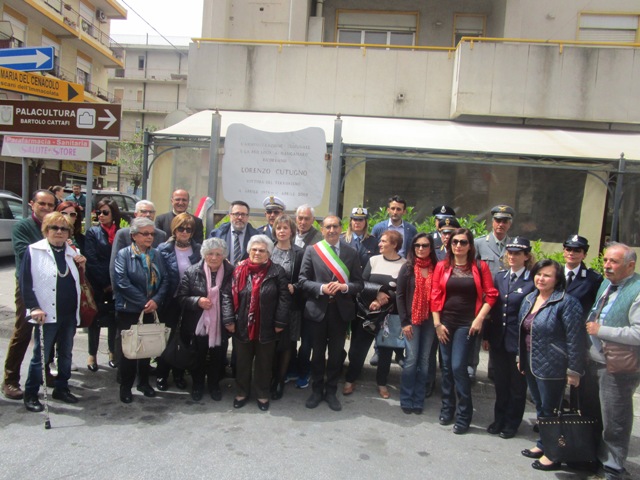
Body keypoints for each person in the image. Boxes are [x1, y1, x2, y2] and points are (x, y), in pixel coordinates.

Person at [519, 259, 585, 471]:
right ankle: (543, 444)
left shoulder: (567, 302)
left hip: (553, 365)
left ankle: (554, 453)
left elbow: (575, 338)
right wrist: (520, 358)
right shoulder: (530, 298)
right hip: (530, 361)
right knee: (539, 406)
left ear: (557, 279)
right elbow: (522, 331)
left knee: (551, 408)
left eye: (547, 275)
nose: (541, 278)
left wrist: (574, 370)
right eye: (539, 274)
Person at [432, 228, 498, 434]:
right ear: (449, 245)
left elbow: (491, 295)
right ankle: (447, 407)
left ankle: (464, 413)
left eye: (463, 242)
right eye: (454, 242)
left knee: (459, 366)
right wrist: (437, 324)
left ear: (470, 245)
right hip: (445, 323)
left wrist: (479, 319)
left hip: (466, 324)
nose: (458, 246)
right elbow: (434, 295)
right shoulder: (442, 266)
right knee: (446, 368)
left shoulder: (480, 267)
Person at [20, 212, 86, 411]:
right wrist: (33, 307)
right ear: (46, 230)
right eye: (54, 228)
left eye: (64, 229)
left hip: (68, 314)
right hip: (46, 314)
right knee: (41, 356)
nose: (59, 232)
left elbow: (79, 282)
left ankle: (61, 388)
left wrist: (82, 266)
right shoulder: (34, 251)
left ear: (69, 232)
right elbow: (25, 283)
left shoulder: (72, 252)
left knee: (65, 354)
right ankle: (31, 393)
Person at [585, 243, 640, 480]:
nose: (607, 266)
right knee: (597, 416)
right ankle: (596, 459)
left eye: (613, 262)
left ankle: (613, 469)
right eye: (605, 260)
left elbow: (638, 333)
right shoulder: (608, 283)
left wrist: (601, 330)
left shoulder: (637, 290)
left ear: (630, 265)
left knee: (615, 420)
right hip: (595, 360)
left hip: (618, 366)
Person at [299, 215, 364, 412]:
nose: (332, 230)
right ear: (323, 229)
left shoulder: (351, 253)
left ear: (341, 228)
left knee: (336, 355)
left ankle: (331, 391)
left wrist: (344, 287)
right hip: (318, 311)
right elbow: (302, 280)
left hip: (340, 312)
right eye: (328, 227)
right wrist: (321, 288)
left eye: (336, 226)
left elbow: (359, 284)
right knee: (317, 353)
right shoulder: (312, 250)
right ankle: (317, 390)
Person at [223, 234, 290, 411]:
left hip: (267, 325)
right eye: (254, 249)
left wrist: (280, 322)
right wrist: (229, 319)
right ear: (249, 251)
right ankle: (242, 392)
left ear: (268, 253)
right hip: (242, 324)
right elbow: (227, 296)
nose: (257, 253)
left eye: (262, 250)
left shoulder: (277, 271)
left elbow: (284, 298)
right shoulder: (237, 271)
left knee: (264, 362)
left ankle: (262, 394)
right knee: (243, 362)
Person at [2, 190, 54, 400]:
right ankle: (10, 379)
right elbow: (25, 254)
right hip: (28, 286)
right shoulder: (23, 226)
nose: (46, 208)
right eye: (42, 204)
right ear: (32, 204)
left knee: (51, 331)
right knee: (23, 332)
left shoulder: (54, 225)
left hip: (51, 285)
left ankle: (44, 373)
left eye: (50, 205)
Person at [483, 237, 535, 439]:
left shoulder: (532, 281)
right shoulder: (500, 277)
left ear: (526, 256)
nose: (512, 257)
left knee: (517, 386)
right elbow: (492, 308)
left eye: (517, 253)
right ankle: (499, 419)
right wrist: (487, 335)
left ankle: (512, 423)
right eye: (510, 253)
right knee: (501, 384)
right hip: (499, 339)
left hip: (519, 341)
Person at [113, 217, 169, 403]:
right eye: (145, 234)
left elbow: (165, 280)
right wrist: (144, 302)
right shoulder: (124, 254)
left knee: (146, 348)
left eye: (152, 234)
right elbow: (121, 281)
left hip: (152, 309)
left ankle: (144, 383)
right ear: (134, 235)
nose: (149, 237)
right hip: (130, 310)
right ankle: (125, 386)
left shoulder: (156, 254)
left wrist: (156, 301)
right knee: (129, 351)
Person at [343, 230, 405, 398]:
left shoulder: (405, 265)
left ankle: (382, 383)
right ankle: (350, 379)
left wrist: (386, 298)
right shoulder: (373, 260)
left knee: (385, 351)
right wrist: (376, 294)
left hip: (390, 315)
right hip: (367, 313)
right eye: (380, 241)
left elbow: (402, 292)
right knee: (358, 349)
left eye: (384, 241)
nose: (379, 244)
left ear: (394, 245)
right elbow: (361, 283)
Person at [176, 237, 233, 401]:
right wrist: (197, 301)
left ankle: (214, 385)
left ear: (224, 255)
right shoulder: (192, 271)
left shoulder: (231, 272)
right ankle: (198, 385)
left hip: (220, 324)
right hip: (197, 324)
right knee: (198, 357)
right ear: (203, 254)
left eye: (218, 254)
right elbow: (181, 297)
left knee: (218, 357)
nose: (214, 257)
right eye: (210, 254)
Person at [155, 213, 202, 392]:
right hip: (169, 301)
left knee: (184, 339)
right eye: (181, 228)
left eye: (188, 229)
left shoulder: (198, 250)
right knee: (166, 338)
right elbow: (159, 277)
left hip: (190, 302)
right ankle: (162, 373)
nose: (184, 232)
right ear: (174, 229)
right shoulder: (163, 249)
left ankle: (179, 374)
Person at [471, 204, 515, 381]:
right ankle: (472, 369)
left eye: (505, 221)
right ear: (492, 221)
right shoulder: (479, 243)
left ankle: (495, 371)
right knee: (476, 334)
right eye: (498, 220)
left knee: (498, 334)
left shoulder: (513, 246)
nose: (501, 224)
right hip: (482, 299)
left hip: (504, 299)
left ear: (510, 223)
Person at [397, 232, 437, 414]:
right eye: (417, 246)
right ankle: (406, 398)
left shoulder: (437, 267)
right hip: (411, 321)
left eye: (425, 245)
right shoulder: (407, 268)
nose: (421, 249)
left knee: (425, 360)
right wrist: (404, 322)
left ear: (431, 248)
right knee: (411, 359)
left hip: (431, 320)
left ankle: (418, 398)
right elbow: (400, 296)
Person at [269, 214, 304, 400]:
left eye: (285, 228)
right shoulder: (267, 250)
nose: (281, 231)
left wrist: (295, 286)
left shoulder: (299, 252)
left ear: (292, 231)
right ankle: (271, 377)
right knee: (271, 342)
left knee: (288, 343)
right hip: (269, 305)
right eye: (278, 228)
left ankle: (281, 380)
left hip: (291, 306)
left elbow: (305, 278)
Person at [85, 199, 122, 372]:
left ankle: (112, 353)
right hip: (98, 284)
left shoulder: (122, 233)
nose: (101, 216)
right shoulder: (92, 232)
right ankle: (92, 354)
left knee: (115, 319)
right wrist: (106, 283)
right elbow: (91, 260)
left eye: (105, 212)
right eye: (98, 212)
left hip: (117, 285)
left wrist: (115, 283)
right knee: (95, 320)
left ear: (113, 214)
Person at [109, 200, 167, 287]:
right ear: (135, 214)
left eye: (151, 212)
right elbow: (114, 266)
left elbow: (163, 269)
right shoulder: (123, 234)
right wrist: (116, 291)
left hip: (153, 292)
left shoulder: (161, 235)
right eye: (144, 211)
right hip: (127, 291)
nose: (148, 214)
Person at [210, 200, 258, 265]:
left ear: (247, 217)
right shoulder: (217, 234)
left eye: (243, 214)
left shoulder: (256, 236)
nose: (240, 217)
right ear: (230, 215)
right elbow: (208, 256)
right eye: (236, 214)